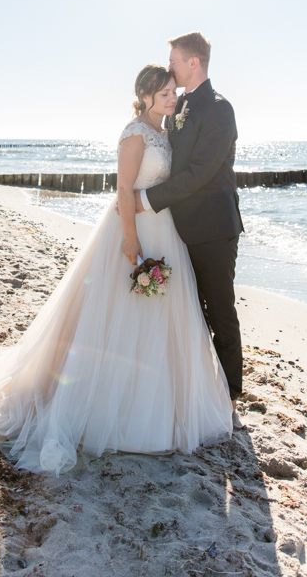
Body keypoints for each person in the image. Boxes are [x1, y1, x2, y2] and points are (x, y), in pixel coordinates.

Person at [0, 65, 233, 475]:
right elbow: (122, 189)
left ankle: (161, 408)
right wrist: (130, 239)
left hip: (164, 231)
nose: (173, 98)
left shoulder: (166, 133)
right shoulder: (134, 133)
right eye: (166, 93)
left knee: (161, 316)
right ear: (145, 96)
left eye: (174, 91)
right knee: (117, 314)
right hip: (133, 229)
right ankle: (108, 408)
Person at [134, 34, 244, 426]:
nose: (170, 67)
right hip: (178, 227)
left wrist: (147, 200)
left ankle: (229, 395)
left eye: (174, 60)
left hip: (213, 229)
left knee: (220, 311)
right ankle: (198, 388)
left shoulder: (219, 109)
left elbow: (200, 173)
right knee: (189, 313)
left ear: (193, 62)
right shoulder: (176, 104)